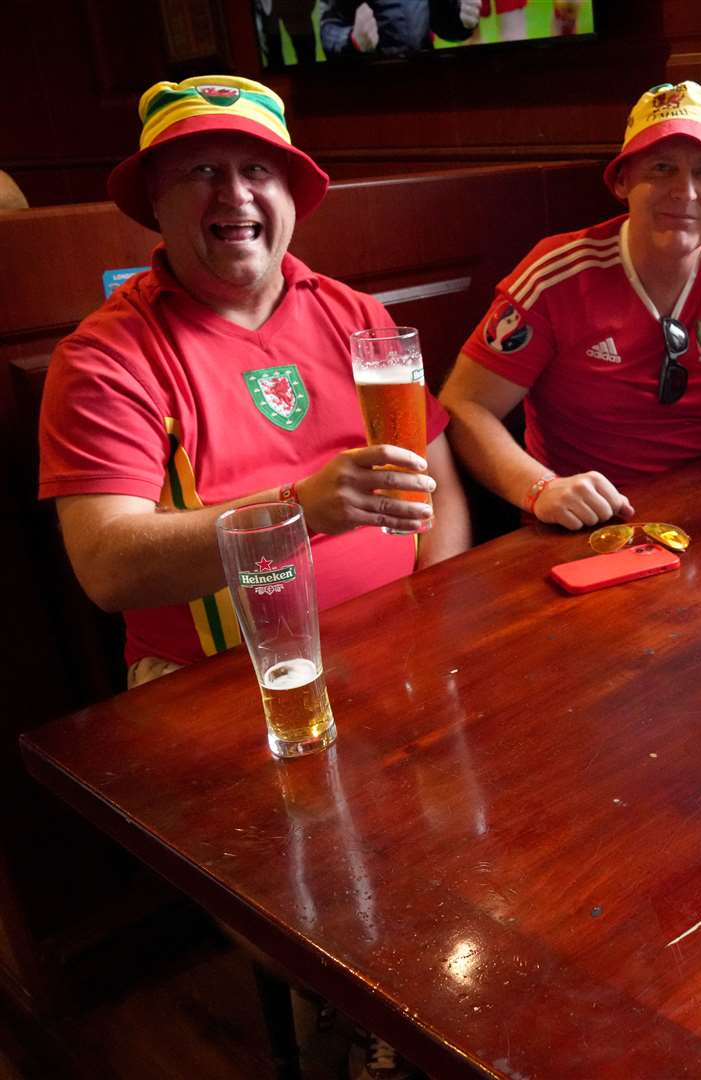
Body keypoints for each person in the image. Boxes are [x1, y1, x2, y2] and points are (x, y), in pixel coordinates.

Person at [37, 73, 466, 1080]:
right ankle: (357, 1031)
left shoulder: (357, 315)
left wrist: (436, 618)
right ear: (156, 202)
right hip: (225, 691)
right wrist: (301, 515)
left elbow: (438, 488)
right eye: (201, 173)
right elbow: (105, 565)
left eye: (256, 170)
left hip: (399, 646)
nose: (234, 196)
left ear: (292, 193)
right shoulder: (108, 358)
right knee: (333, 904)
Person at [439, 80, 701, 530]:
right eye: (661, 168)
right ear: (623, 181)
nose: (686, 192)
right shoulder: (554, 273)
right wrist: (540, 488)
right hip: (580, 525)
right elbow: (462, 406)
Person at [319, 0, 479, 58]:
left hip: (425, 82)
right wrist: (352, 40)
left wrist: (462, 19)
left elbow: (441, 20)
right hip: (370, 90)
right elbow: (329, 29)